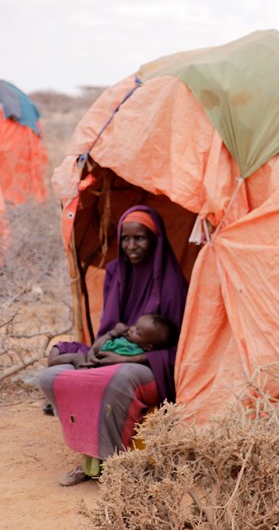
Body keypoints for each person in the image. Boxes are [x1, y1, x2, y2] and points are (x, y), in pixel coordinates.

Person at [39, 205, 188, 486]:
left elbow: (181, 350)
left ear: (155, 239)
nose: (131, 246)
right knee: (50, 376)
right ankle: (88, 457)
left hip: (148, 364)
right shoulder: (116, 272)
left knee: (118, 378)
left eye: (140, 238)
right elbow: (108, 328)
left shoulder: (172, 283)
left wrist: (129, 360)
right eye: (125, 238)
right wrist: (100, 352)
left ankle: (114, 462)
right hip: (115, 350)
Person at [47, 313, 176, 368]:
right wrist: (114, 333)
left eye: (138, 332)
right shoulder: (125, 339)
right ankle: (52, 365)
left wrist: (112, 334)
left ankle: (59, 364)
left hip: (91, 359)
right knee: (59, 347)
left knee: (76, 357)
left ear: (148, 347)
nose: (131, 329)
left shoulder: (132, 351)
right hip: (90, 352)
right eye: (135, 326)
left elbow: (97, 349)